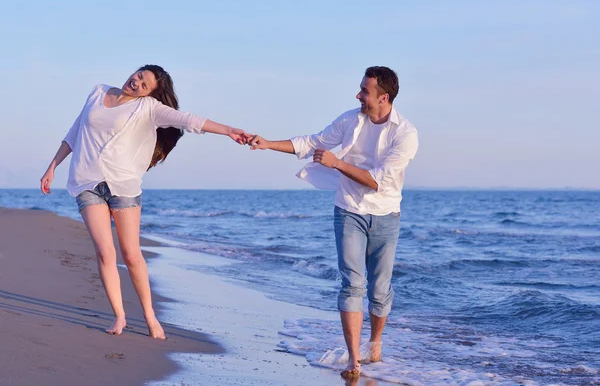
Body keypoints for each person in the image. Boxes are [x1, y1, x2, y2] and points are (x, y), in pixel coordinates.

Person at [40, 65, 250, 339]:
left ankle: (151, 318)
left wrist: (229, 130)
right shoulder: (98, 92)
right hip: (86, 183)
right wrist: (52, 166)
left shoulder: (149, 108)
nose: (136, 83)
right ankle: (119, 316)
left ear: (151, 92)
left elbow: (189, 120)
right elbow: (74, 132)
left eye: (144, 84)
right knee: (105, 252)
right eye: (138, 76)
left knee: (131, 254)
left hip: (123, 186)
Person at [248, 66, 418, 378]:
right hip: (348, 209)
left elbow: (378, 181)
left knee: (379, 290)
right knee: (352, 283)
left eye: (365, 92)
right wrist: (268, 143)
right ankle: (354, 358)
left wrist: (337, 163)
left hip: (386, 213)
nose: (358, 95)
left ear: (384, 97)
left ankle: (376, 342)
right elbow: (313, 142)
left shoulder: (405, 134)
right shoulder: (350, 119)